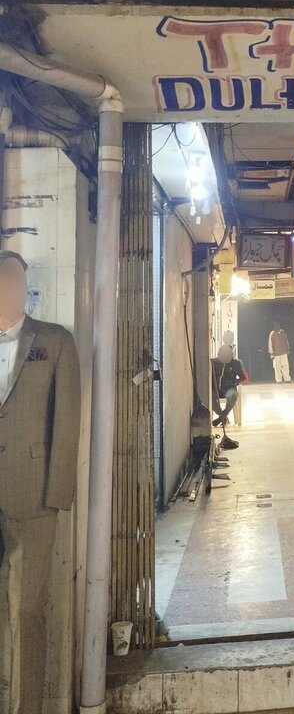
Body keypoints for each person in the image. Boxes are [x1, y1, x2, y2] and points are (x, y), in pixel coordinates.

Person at [0, 250, 81, 714]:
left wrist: (57, 496)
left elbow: (66, 422)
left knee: (26, 611)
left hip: (33, 497)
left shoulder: (54, 342)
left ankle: (27, 706)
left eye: (15, 282)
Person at [211, 345, 246, 426]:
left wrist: (235, 382)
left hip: (229, 388)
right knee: (209, 397)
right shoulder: (213, 363)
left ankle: (222, 417)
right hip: (215, 389)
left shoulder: (236, 363)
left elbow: (243, 378)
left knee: (232, 396)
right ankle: (223, 417)